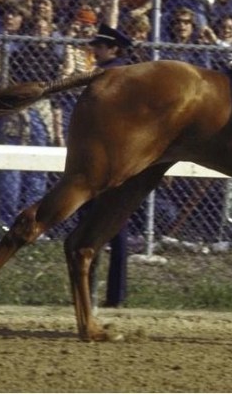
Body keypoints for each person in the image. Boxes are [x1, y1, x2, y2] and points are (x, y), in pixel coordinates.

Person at [86, 24, 135, 307]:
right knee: (115, 231)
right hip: (117, 161)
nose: (95, 50)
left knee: (97, 229)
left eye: (99, 46)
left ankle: (95, 293)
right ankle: (114, 296)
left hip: (108, 161)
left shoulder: (112, 75)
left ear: (113, 49)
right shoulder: (119, 73)